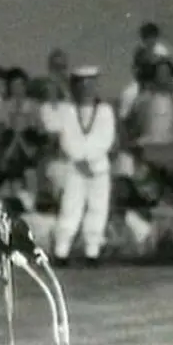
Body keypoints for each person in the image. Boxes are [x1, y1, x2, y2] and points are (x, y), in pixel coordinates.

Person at [52, 66, 116, 267]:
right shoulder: (68, 111)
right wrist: (79, 159)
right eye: (82, 85)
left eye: (91, 85)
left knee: (98, 208)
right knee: (70, 207)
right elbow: (66, 139)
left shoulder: (105, 111)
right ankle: (61, 250)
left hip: (98, 167)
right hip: (75, 168)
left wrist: (91, 159)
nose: (87, 89)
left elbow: (106, 138)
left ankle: (92, 251)